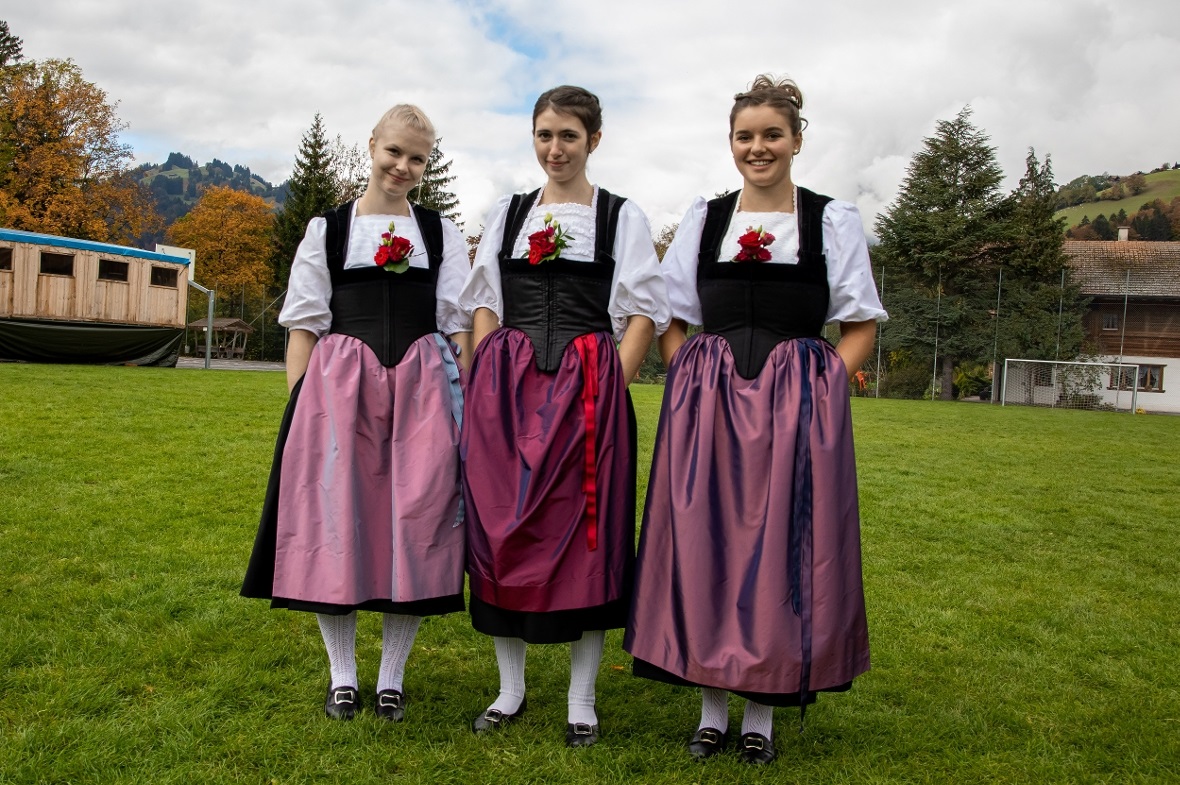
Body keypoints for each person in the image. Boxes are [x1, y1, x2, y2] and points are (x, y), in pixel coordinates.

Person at [624, 75, 887, 765]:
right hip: (710, 410)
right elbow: (671, 314)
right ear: (731, 142)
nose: (758, 147)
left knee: (782, 551)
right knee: (708, 543)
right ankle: (713, 710)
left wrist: (824, 382)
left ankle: (760, 715)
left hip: (795, 410)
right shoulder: (706, 219)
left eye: (772, 134)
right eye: (746, 135)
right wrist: (690, 371)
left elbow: (859, 322)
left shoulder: (832, 220)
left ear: (797, 140)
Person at [241, 104, 472, 722]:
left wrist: (465, 404)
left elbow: (457, 325)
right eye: (394, 151)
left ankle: (391, 676)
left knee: (417, 522)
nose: (403, 166)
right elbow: (304, 325)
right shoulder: (330, 229)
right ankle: (343, 674)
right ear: (372, 145)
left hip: (423, 391)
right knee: (334, 524)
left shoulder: (440, 233)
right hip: (340, 393)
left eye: (417, 158)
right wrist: (302, 407)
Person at [458, 85, 669, 748]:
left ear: (594, 140)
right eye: (545, 134)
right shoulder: (509, 212)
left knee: (588, 536)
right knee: (504, 526)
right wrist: (489, 368)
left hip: (587, 391)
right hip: (509, 387)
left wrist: (611, 381)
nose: (555, 148)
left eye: (569, 136)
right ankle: (510, 688)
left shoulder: (620, 215)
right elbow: (485, 298)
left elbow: (642, 310)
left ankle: (582, 698)